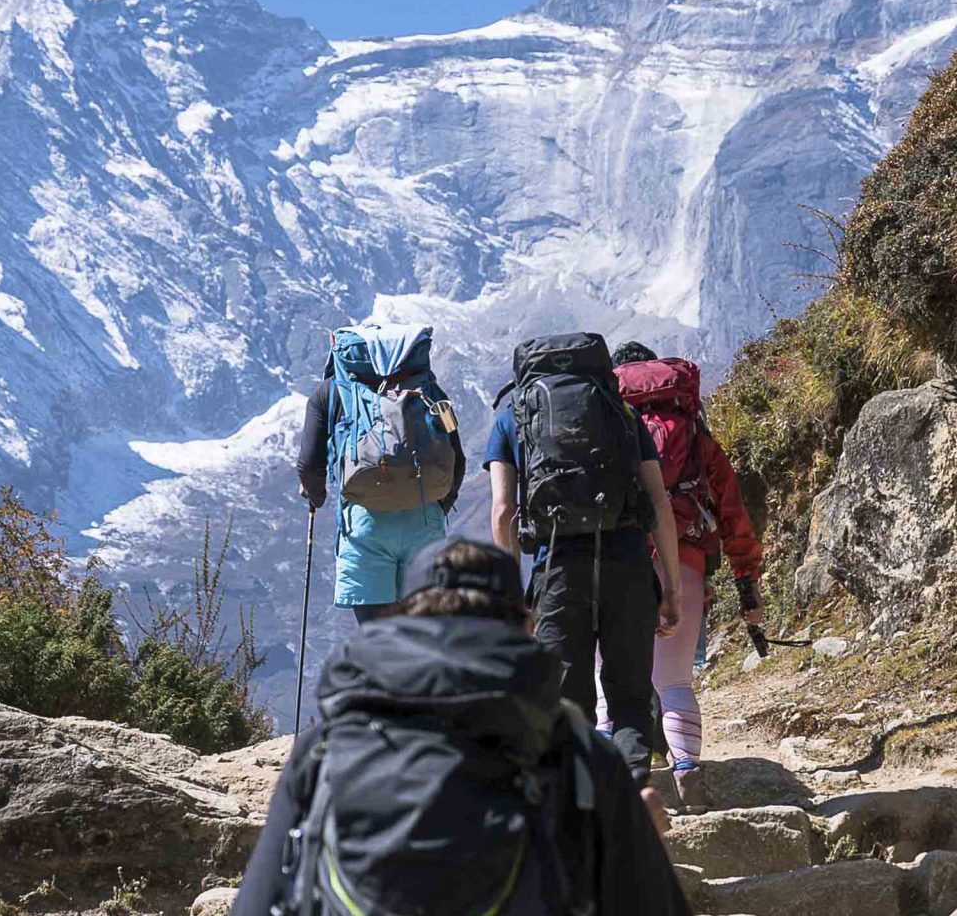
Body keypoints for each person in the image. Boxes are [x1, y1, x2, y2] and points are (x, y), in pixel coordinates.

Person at [230, 538, 692, 916]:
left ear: (403, 622)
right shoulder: (579, 752)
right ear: (527, 625)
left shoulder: (323, 750)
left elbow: (256, 904)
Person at [485, 332, 684, 820]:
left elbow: (503, 510)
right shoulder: (619, 411)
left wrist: (512, 597)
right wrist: (672, 586)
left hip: (556, 572)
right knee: (630, 693)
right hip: (627, 564)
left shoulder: (514, 416)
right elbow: (659, 501)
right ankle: (634, 795)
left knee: (563, 698)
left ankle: (577, 809)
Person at [607, 340, 764, 810]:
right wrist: (746, 582)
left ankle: (614, 790)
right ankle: (689, 778)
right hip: (687, 559)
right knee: (675, 680)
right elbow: (733, 512)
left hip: (618, 558)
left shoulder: (607, 426)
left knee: (604, 680)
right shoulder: (694, 433)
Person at [295, 324, 463, 624]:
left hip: (364, 523)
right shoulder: (428, 390)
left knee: (377, 636)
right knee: (425, 633)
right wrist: (437, 505)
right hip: (424, 520)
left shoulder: (330, 392)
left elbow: (309, 465)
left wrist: (315, 496)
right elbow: (457, 457)